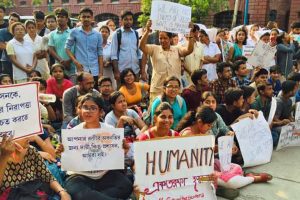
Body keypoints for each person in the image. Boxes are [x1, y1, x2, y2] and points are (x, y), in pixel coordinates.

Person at [63, 94, 133, 199]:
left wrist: (122, 152)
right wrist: (63, 152)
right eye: (85, 107)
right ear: (80, 110)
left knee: (126, 186)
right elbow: (71, 160)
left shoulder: (109, 130)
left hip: (104, 175)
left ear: (100, 112)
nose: (88, 111)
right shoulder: (73, 133)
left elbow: (112, 157)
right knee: (79, 192)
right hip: (80, 176)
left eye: (93, 108)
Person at [0, 135, 71, 200]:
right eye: (23, 135)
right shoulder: (2, 156)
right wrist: (4, 157)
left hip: (36, 194)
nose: (29, 137)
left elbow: (47, 176)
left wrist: (62, 192)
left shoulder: (31, 150)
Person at [139, 20, 194, 102]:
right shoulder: (154, 49)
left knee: (174, 113)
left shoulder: (177, 49)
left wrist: (190, 33)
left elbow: (189, 50)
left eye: (165, 38)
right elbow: (141, 46)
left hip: (174, 90)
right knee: (157, 112)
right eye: (160, 38)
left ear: (171, 39)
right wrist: (147, 30)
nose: (162, 40)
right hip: (157, 89)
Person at [65, 7, 103, 84]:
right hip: (80, 69)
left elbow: (100, 54)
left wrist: (101, 73)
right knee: (81, 92)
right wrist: (75, 62)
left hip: (94, 70)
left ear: (92, 18)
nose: (86, 19)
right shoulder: (74, 32)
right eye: (84, 17)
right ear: (80, 18)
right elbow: (67, 48)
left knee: (94, 93)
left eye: (88, 17)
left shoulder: (97, 34)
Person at [111, 11, 145, 83]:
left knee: (135, 92)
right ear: (122, 20)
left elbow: (138, 54)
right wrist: (116, 72)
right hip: (122, 72)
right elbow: (113, 55)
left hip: (135, 71)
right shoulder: (117, 34)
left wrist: (142, 70)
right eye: (126, 19)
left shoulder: (135, 34)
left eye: (130, 19)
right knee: (122, 93)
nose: (128, 21)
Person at [49, 8, 76, 83]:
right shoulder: (52, 34)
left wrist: (69, 61)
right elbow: (51, 49)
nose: (60, 18)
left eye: (62, 17)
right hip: (58, 69)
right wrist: (62, 62)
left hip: (73, 67)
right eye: (58, 17)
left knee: (73, 90)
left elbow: (78, 49)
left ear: (67, 19)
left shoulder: (73, 32)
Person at [272, 80, 298, 146]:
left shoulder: (289, 100)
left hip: (285, 123)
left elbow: (288, 115)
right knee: (288, 131)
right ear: (290, 92)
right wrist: (283, 122)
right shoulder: (279, 102)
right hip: (277, 125)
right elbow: (275, 119)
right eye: (295, 89)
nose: (296, 91)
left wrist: (292, 120)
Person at [0, 12, 20, 78]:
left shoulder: (20, 32)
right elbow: (1, 46)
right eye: (11, 19)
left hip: (19, 60)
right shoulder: (1, 31)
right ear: (8, 20)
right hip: (6, 61)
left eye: (15, 20)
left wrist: (7, 44)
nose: (13, 21)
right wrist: (16, 46)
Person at [100, 25, 117, 89]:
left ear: (109, 34)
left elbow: (115, 56)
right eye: (102, 31)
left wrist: (109, 62)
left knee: (111, 88)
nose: (104, 33)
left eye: (106, 32)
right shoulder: (95, 44)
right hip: (98, 71)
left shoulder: (112, 44)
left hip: (109, 70)